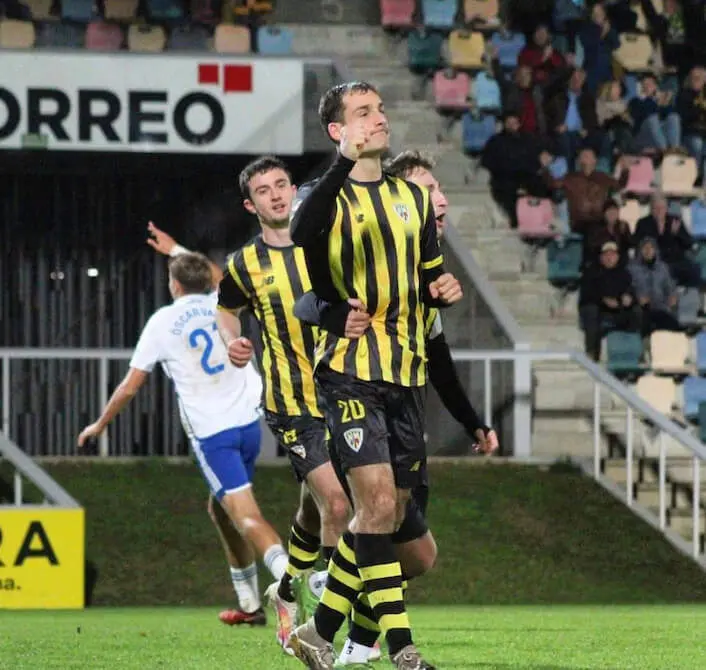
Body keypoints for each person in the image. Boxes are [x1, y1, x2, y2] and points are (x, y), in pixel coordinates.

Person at [294, 149, 499, 667]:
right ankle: (395, 649)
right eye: (430, 191)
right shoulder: (361, 251)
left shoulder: (419, 271)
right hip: (355, 387)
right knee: (378, 511)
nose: (441, 200)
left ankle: (317, 631)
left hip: (404, 394)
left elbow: (439, 359)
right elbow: (306, 299)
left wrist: (473, 422)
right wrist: (335, 313)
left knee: (410, 546)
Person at [168, 156, 350, 653]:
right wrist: (234, 341)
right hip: (293, 404)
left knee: (315, 510)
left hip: (347, 393)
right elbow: (226, 310)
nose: (276, 195)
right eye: (264, 190)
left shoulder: (327, 242)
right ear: (251, 205)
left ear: (293, 189)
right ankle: (330, 629)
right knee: (338, 503)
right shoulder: (245, 264)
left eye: (281, 185)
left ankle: (288, 589)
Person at [77, 252, 288, 620]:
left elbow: (129, 387)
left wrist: (100, 424)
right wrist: (177, 248)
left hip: (214, 433)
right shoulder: (218, 301)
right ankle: (250, 605)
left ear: (173, 285)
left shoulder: (163, 321)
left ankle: (292, 584)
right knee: (220, 510)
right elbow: (220, 274)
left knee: (246, 516)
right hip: (248, 425)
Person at [579, 241, 642, 361]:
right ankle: (592, 354)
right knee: (591, 312)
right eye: (606, 254)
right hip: (599, 310)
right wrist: (603, 300)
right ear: (601, 257)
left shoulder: (624, 274)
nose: (609, 258)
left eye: (612, 254)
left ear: (617, 257)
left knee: (637, 312)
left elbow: (631, 291)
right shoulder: (591, 272)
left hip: (618, 311)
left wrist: (629, 298)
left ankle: (634, 354)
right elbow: (586, 295)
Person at [629, 237, 682, 334]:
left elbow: (670, 286)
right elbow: (628, 288)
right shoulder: (632, 268)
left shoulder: (663, 267)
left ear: (655, 250)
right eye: (645, 248)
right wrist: (637, 298)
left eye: (651, 248)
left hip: (661, 306)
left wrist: (673, 296)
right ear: (640, 251)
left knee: (670, 321)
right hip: (641, 308)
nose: (648, 251)